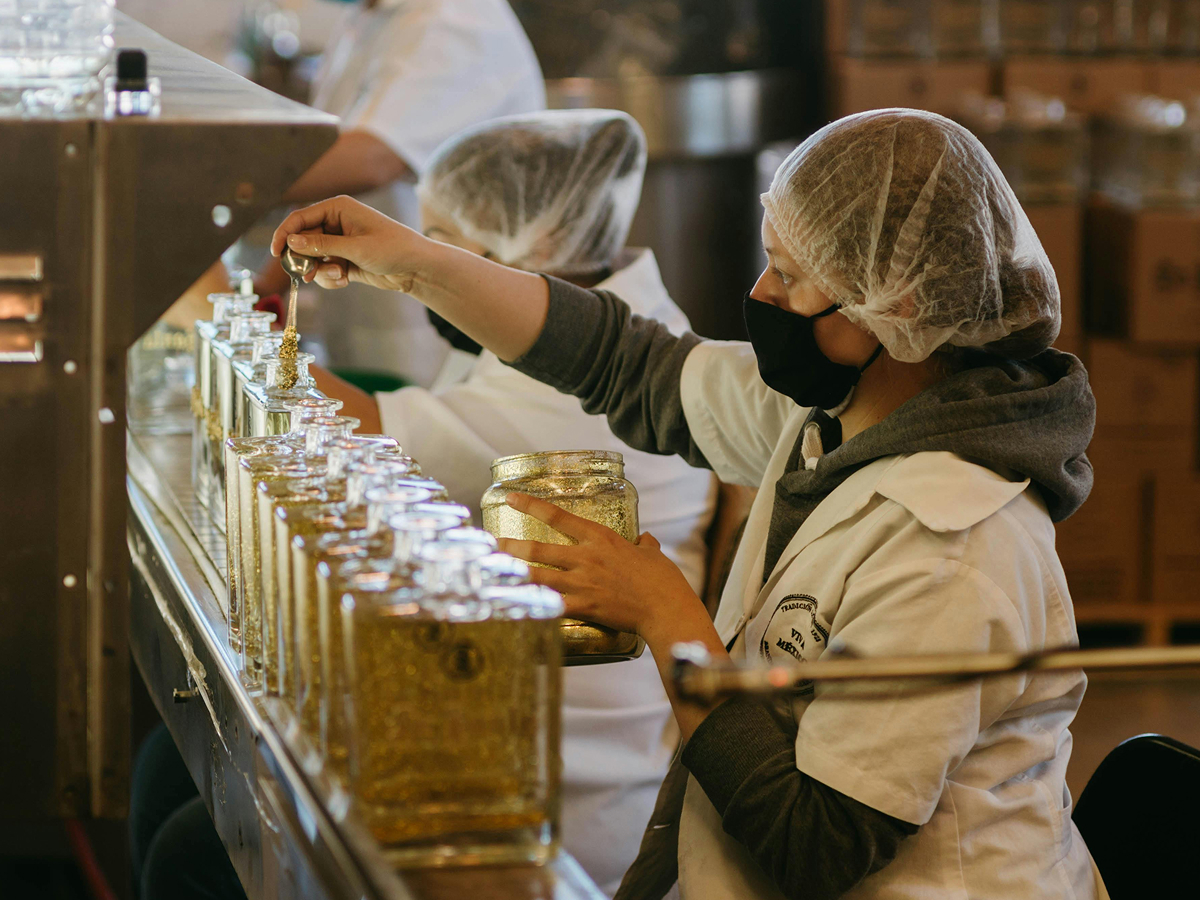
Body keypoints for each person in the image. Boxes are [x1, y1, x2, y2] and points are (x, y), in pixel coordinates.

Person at [273, 108, 1107, 899]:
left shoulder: (955, 544)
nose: (761, 293)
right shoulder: (841, 418)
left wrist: (673, 623)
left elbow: (816, 845)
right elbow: (623, 362)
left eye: (788, 275)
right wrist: (413, 262)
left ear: (902, 307)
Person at [311, 109, 718, 895]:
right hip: (514, 736)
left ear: (523, 246)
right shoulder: (612, 316)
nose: (422, 265)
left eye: (439, 244)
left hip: (569, 799)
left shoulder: (576, 394)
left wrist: (207, 302)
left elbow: (344, 433)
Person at [256, 0, 545, 387]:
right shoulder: (367, 18)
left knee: (420, 436)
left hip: (436, 327)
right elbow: (327, 174)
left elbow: (371, 158)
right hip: (373, 308)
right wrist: (267, 286)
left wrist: (221, 186)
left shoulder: (452, 18)